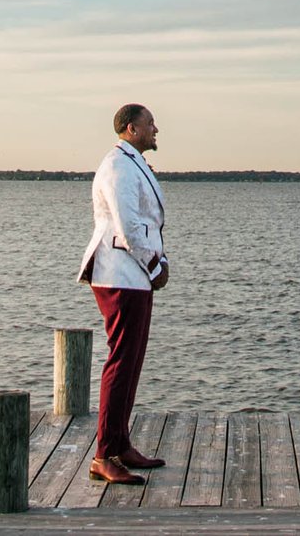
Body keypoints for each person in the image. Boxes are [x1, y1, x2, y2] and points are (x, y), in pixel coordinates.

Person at [78, 102, 169, 485]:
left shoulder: (131, 163)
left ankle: (120, 443)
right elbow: (129, 225)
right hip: (120, 275)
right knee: (120, 360)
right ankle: (103, 456)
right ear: (132, 128)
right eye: (150, 124)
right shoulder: (117, 167)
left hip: (132, 276)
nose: (156, 129)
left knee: (130, 361)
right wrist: (155, 266)